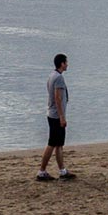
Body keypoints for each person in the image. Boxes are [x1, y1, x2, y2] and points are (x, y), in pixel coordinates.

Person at [37, 53, 74, 181]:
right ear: (62, 64)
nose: (67, 64)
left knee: (59, 144)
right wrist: (62, 117)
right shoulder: (58, 78)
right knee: (52, 143)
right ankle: (41, 171)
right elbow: (58, 98)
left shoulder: (52, 75)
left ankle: (62, 170)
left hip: (52, 114)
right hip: (56, 116)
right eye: (66, 62)